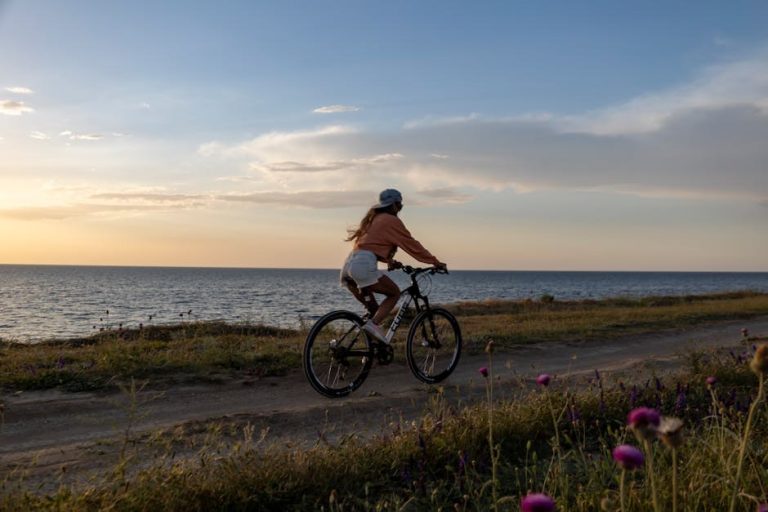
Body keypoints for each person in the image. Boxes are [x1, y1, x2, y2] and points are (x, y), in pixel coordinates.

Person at [340, 188, 446, 343]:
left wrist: (389, 262)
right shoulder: (391, 220)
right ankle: (373, 326)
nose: (400, 209)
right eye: (400, 205)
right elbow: (412, 245)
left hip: (349, 265)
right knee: (394, 293)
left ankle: (368, 349)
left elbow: (370, 247)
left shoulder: (373, 219)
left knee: (375, 311)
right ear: (394, 205)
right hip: (363, 265)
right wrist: (434, 262)